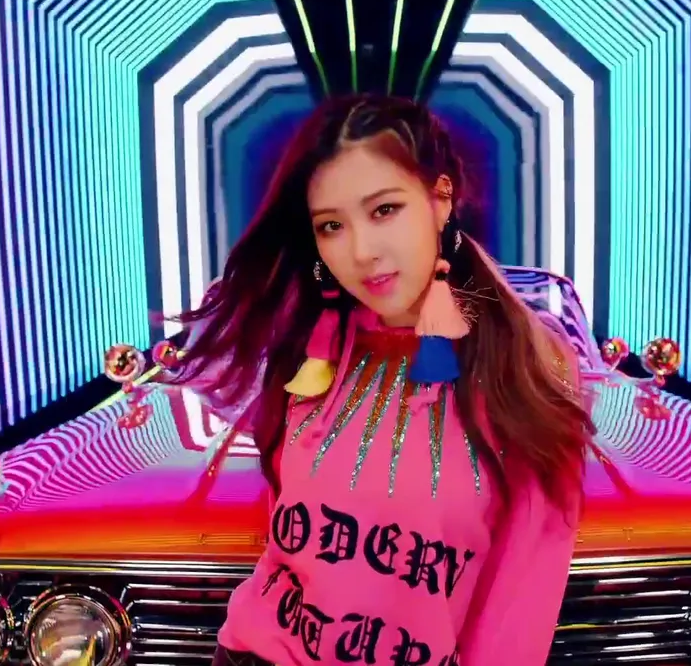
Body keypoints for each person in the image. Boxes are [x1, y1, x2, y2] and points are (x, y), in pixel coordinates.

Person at [170, 94, 593, 666]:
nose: (362, 252)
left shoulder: (524, 368)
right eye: (331, 226)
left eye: (384, 210)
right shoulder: (310, 345)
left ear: (440, 199)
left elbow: (520, 600)